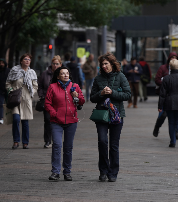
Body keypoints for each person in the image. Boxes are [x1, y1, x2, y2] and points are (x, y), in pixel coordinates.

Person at [90, 52, 131, 182]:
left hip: (116, 115)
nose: (104, 66)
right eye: (102, 64)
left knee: (113, 145)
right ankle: (103, 170)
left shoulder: (120, 76)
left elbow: (127, 95)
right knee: (102, 141)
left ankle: (113, 172)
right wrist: (101, 93)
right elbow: (92, 98)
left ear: (112, 64)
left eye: (106, 63)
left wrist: (113, 93)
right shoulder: (98, 79)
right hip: (102, 114)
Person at [44, 66, 85, 181]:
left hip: (71, 121)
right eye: (63, 73)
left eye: (67, 73)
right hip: (56, 121)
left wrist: (77, 96)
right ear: (58, 76)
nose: (66, 75)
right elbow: (47, 103)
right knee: (57, 145)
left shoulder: (75, 86)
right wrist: (54, 113)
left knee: (68, 147)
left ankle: (67, 172)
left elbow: (82, 101)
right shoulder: (52, 87)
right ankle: (55, 172)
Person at [6, 53, 38, 149]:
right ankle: (16, 141)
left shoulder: (32, 72)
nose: (27, 60)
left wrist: (32, 93)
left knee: (25, 122)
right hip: (15, 99)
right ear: (21, 61)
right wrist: (11, 91)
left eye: (29, 59)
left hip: (26, 99)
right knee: (15, 119)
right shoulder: (14, 70)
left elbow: (35, 85)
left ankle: (25, 142)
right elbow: (8, 83)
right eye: (25, 59)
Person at [158, 59, 178, 148]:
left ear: (170, 67)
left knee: (171, 122)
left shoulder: (166, 78)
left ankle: (172, 142)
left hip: (169, 102)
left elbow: (162, 94)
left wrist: (160, 105)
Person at [153, 52, 178, 137]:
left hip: (176, 95)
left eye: (175, 57)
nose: (173, 59)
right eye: (172, 57)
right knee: (162, 114)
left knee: (176, 114)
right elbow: (157, 79)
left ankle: (176, 132)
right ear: (169, 59)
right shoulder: (163, 68)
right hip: (165, 94)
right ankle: (157, 127)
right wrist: (166, 85)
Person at [38, 55, 62, 148]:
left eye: (57, 64)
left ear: (60, 64)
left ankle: (56, 140)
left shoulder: (63, 74)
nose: (55, 65)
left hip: (59, 102)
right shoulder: (45, 74)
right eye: (53, 64)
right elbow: (39, 85)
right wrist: (42, 96)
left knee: (57, 121)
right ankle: (47, 141)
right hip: (47, 101)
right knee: (48, 120)